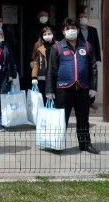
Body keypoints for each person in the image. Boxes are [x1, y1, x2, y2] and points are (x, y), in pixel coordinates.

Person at [46, 18, 99, 154]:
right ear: (63, 31)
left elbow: (93, 68)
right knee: (61, 119)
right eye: (68, 28)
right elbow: (51, 70)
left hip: (82, 88)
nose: (71, 31)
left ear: (78, 29)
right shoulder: (57, 47)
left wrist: (93, 87)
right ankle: (57, 144)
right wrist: (50, 90)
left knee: (83, 119)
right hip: (63, 89)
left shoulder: (86, 46)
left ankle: (85, 144)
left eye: (74, 28)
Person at [77, 11, 101, 110]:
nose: (83, 18)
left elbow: (97, 45)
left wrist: (98, 59)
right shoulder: (76, 30)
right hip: (80, 58)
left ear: (88, 18)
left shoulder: (93, 30)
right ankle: (79, 101)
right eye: (81, 17)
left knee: (92, 78)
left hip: (92, 57)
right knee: (80, 77)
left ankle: (91, 101)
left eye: (85, 16)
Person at [31, 26, 56, 104]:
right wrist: (34, 77)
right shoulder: (38, 46)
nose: (47, 35)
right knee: (43, 100)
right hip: (42, 76)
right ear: (42, 35)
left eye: (49, 33)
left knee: (55, 99)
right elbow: (36, 63)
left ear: (53, 34)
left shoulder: (58, 45)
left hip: (54, 77)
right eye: (45, 34)